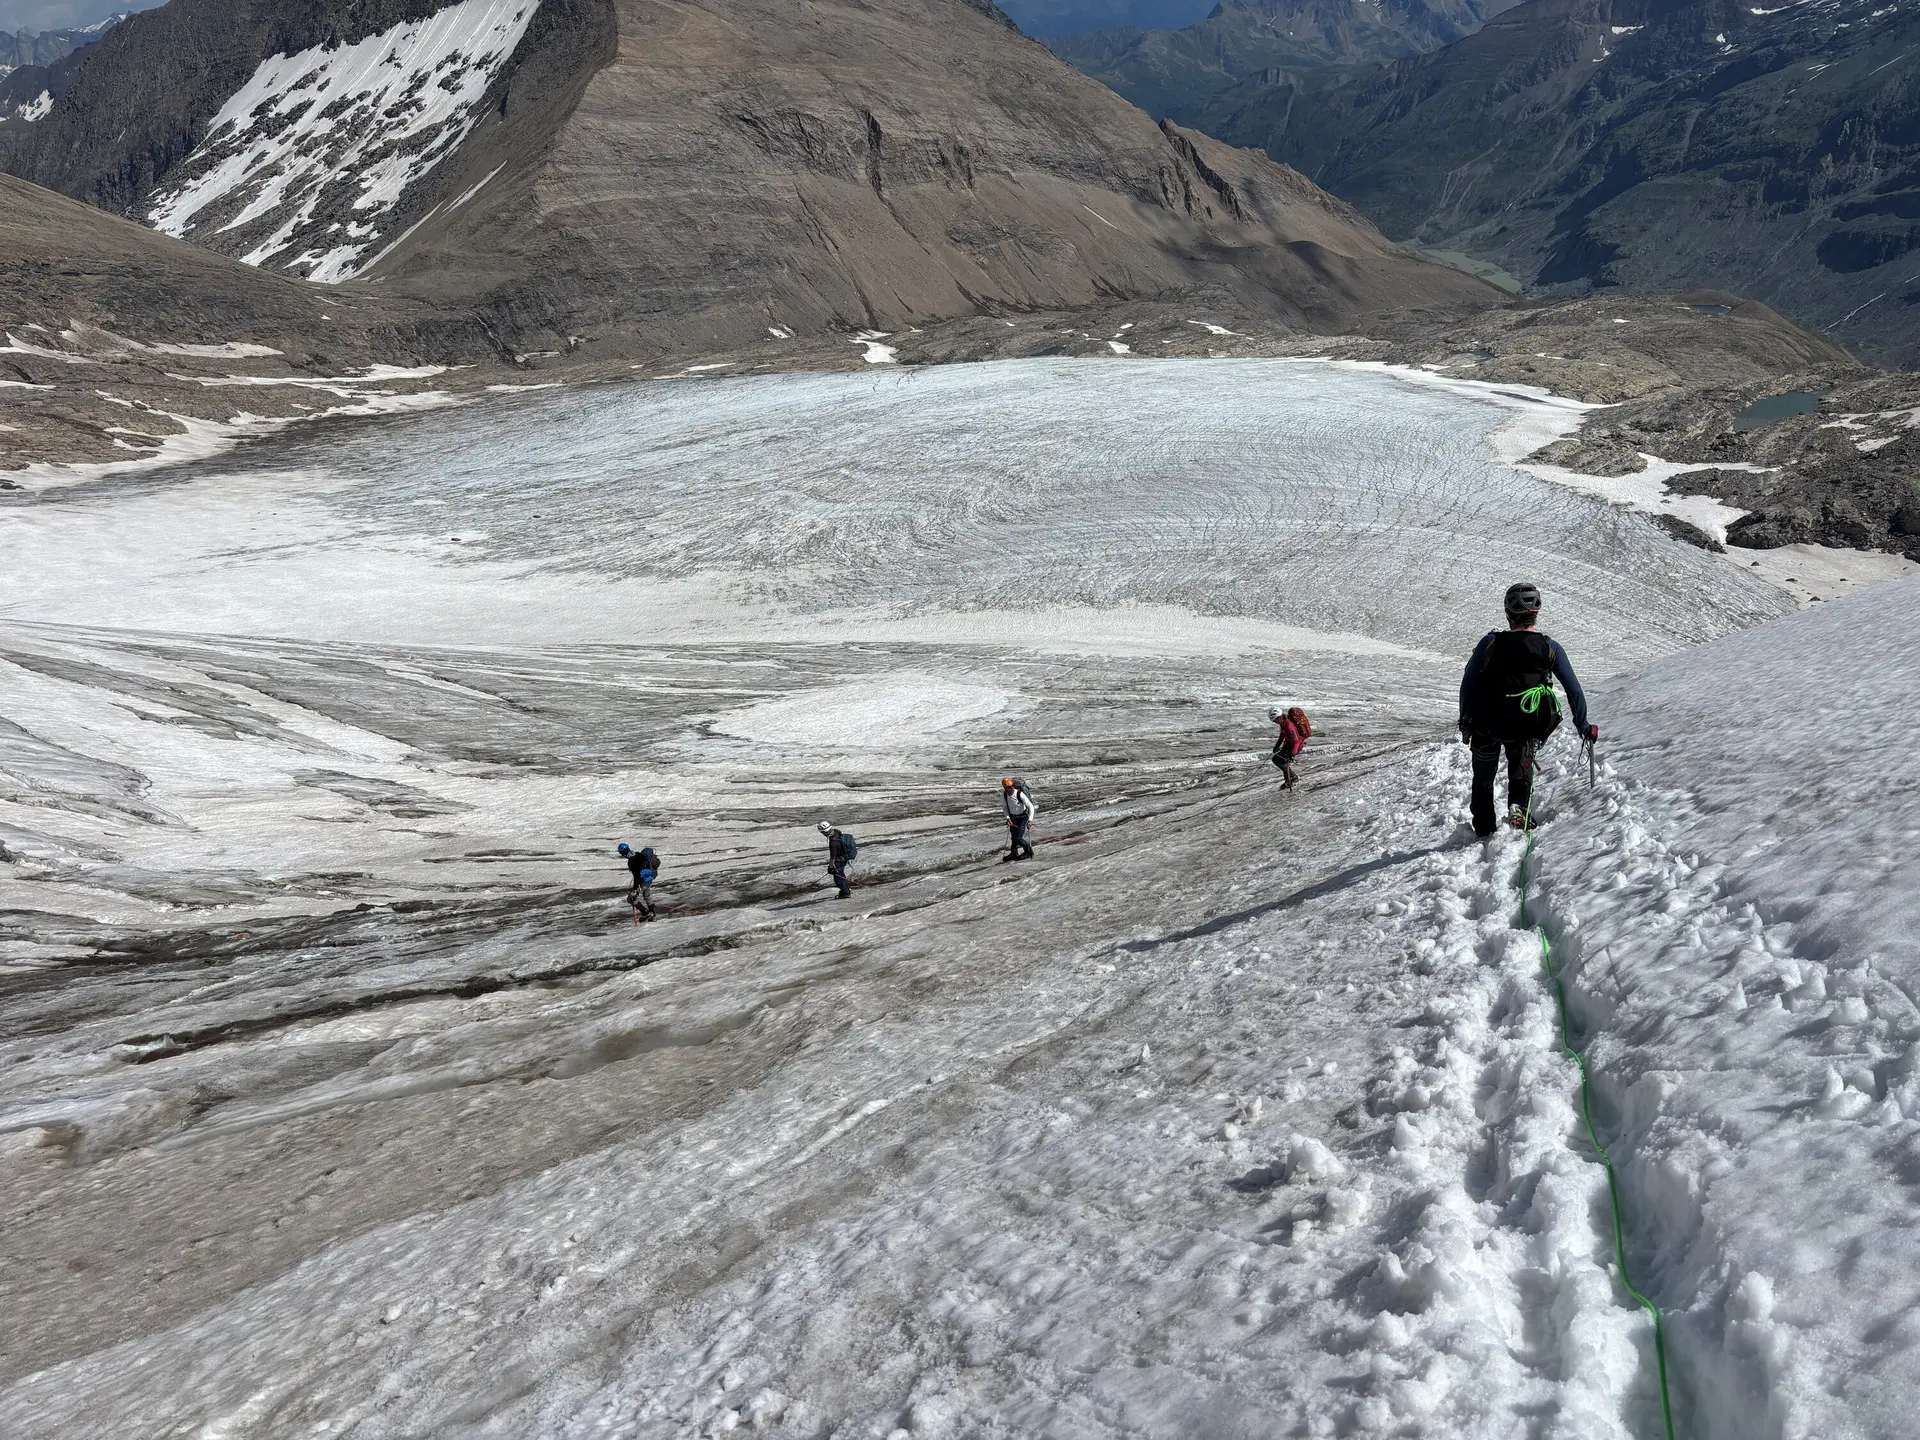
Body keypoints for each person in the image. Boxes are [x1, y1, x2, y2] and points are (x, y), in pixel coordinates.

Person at [1459, 582, 1599, 836]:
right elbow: (1574, 690)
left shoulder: (1490, 643)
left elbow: (1468, 683)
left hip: (1485, 724)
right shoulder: (1550, 648)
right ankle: (1518, 812)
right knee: (1520, 768)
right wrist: (1583, 726)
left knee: (1483, 777)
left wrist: (1465, 719)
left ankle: (1483, 827)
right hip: (1526, 724)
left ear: (1507, 612)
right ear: (1537, 611)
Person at [1269, 706, 1311, 790]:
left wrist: (1292, 754)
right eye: (1274, 721)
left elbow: (1296, 741)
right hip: (1289, 744)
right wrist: (1277, 746)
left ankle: (1292, 778)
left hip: (1295, 746)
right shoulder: (1283, 722)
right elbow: (1282, 735)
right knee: (1278, 760)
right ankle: (1290, 779)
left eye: (1276, 720)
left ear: (1279, 717)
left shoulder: (1289, 725)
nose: (1275, 722)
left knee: (1280, 761)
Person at [618, 841, 659, 921]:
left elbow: (637, 876)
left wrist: (635, 888)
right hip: (649, 877)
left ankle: (646, 913)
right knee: (647, 896)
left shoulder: (631, 861)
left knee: (631, 898)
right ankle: (652, 914)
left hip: (643, 881)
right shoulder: (637, 854)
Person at [1001, 777, 1037, 861]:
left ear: (1013, 786)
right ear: (1004, 788)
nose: (1010, 789)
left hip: (1022, 818)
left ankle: (1028, 851)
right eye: (1007, 788)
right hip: (1013, 818)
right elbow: (1005, 808)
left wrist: (1030, 820)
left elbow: (1030, 806)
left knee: (1018, 838)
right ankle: (1014, 853)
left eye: (1011, 787)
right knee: (1013, 837)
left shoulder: (1019, 794)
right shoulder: (1005, 795)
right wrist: (1008, 818)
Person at [818, 820, 854, 898]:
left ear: (825, 832)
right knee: (841, 875)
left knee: (838, 880)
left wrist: (830, 867)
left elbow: (833, 857)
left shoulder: (833, 843)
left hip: (839, 861)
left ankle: (846, 893)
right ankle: (847, 889)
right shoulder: (836, 832)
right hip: (844, 858)